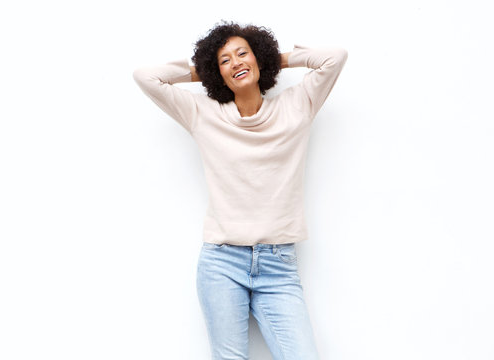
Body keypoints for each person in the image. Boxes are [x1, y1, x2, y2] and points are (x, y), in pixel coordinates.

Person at [133, 21, 347, 360]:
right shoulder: (203, 114)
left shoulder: (298, 106)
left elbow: (335, 57)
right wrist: (207, 72)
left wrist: (271, 60)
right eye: (225, 61)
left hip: (279, 265)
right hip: (221, 262)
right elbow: (146, 76)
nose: (236, 63)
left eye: (243, 53)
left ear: (259, 57)